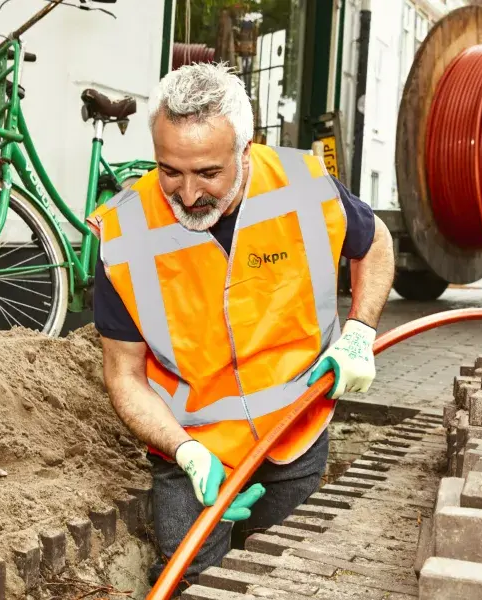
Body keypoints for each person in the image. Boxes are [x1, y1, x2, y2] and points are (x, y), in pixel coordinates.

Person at [85, 62, 395, 591]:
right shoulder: (125, 231)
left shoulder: (305, 186)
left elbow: (377, 242)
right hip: (192, 451)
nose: (186, 195)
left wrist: (360, 331)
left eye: (208, 173)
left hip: (295, 431)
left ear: (246, 151)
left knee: (283, 578)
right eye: (169, 171)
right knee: (194, 581)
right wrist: (183, 450)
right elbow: (125, 376)